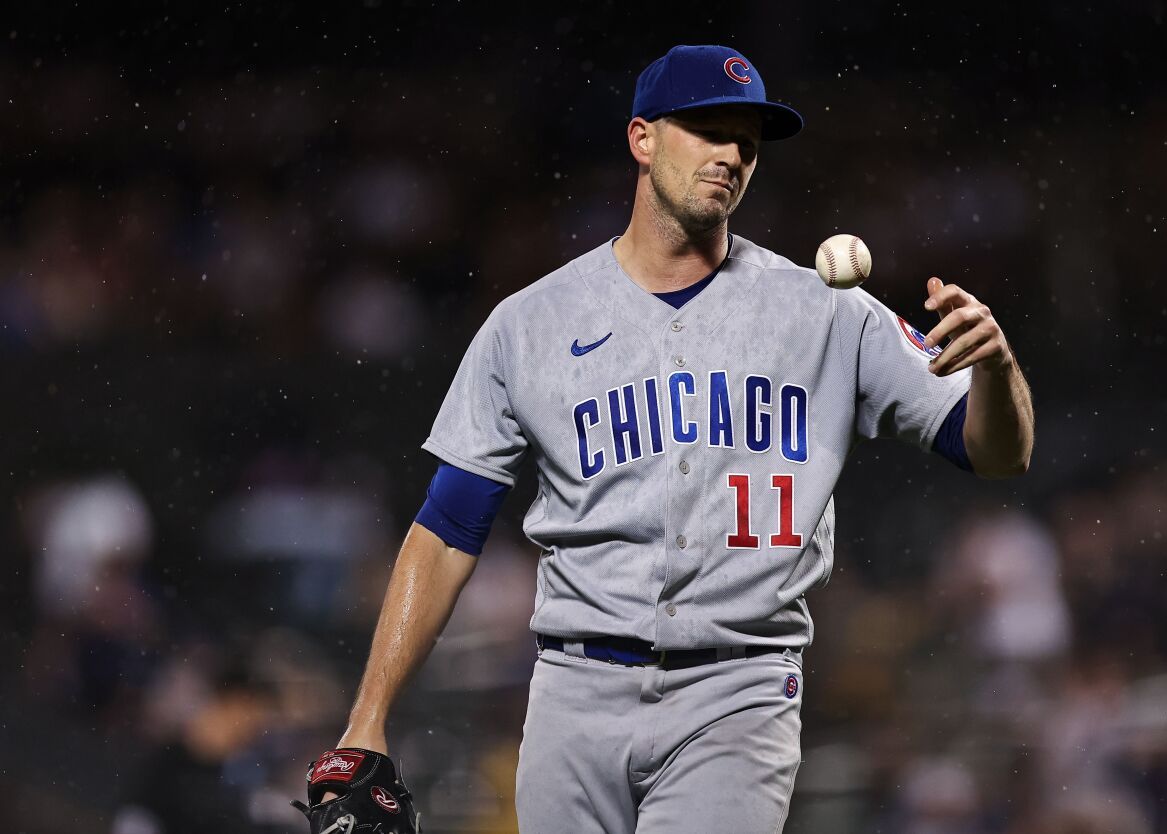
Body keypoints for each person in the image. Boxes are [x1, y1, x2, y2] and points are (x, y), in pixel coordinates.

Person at [318, 43, 1034, 833]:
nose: (731, 153)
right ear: (642, 138)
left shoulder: (831, 311)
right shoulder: (529, 324)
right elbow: (449, 526)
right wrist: (367, 718)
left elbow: (997, 452)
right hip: (571, 689)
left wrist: (998, 370)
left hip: (740, 690)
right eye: (706, 129)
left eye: (748, 142)